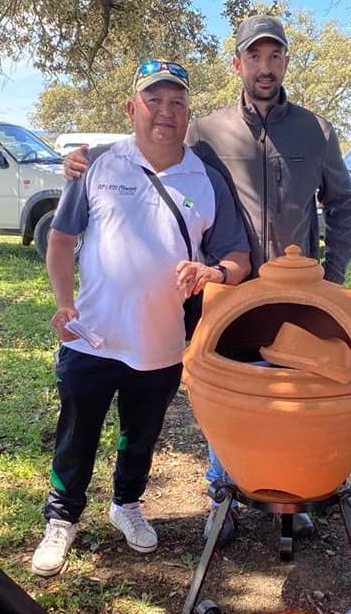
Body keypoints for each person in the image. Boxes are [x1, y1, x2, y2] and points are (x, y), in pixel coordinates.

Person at [64, 15, 351, 546]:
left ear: (286, 62)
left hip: (300, 294)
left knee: (297, 391)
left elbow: (343, 203)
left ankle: (290, 497)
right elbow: (153, 146)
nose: (265, 68)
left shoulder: (317, 130)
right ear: (238, 64)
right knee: (232, 393)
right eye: (254, 57)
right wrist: (86, 159)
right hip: (230, 293)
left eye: (275, 57)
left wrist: (332, 279)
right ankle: (223, 493)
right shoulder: (206, 130)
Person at [31, 59, 251, 578]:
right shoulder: (99, 166)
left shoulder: (206, 178)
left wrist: (211, 270)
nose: (165, 112)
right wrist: (63, 302)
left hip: (160, 342)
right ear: (133, 108)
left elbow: (237, 260)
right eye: (154, 101)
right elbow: (61, 241)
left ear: (188, 113)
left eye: (177, 102)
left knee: (141, 433)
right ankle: (61, 519)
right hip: (92, 336)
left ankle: (127, 503)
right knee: (77, 434)